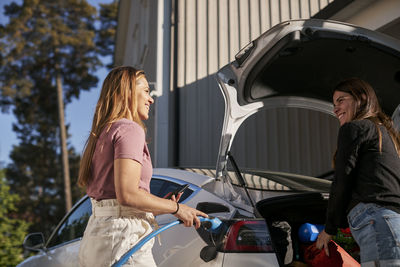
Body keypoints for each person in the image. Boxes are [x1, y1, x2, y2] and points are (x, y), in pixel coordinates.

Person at [77, 66, 208, 267]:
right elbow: (128, 195)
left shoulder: (103, 133)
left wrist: (159, 206)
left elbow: (115, 202)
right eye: (146, 91)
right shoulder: (129, 129)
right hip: (122, 240)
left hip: (97, 236)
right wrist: (177, 208)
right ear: (127, 92)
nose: (151, 99)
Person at [316, 77, 400, 266]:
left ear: (361, 99)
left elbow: (341, 181)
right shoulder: (385, 133)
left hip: (378, 222)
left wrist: (329, 229)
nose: (335, 108)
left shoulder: (354, 128)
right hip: (392, 222)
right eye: (334, 103)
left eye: (341, 100)